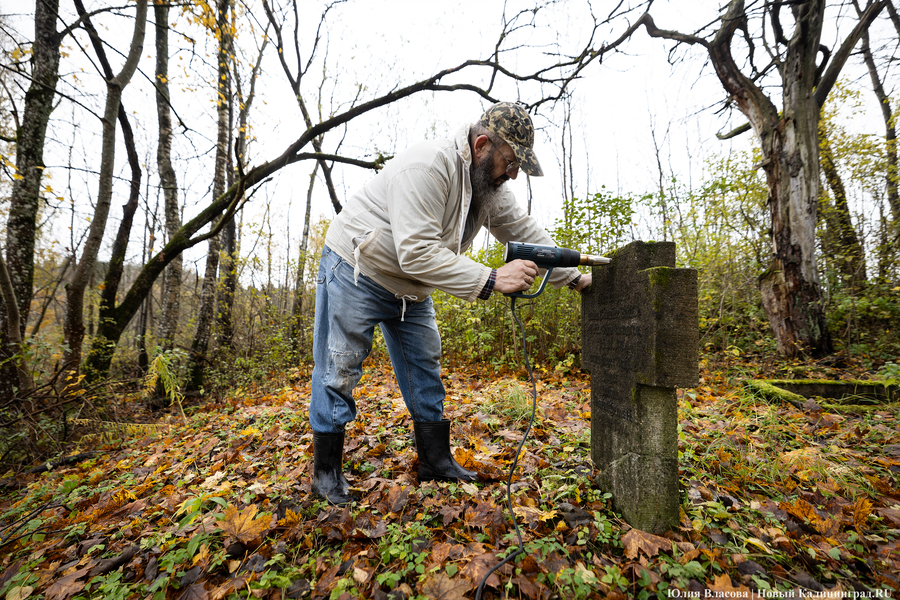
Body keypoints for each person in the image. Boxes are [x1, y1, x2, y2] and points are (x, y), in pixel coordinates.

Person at [310, 102, 592, 504]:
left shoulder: (489, 189)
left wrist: (575, 277)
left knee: (425, 365)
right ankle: (326, 476)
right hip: (358, 267)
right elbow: (417, 252)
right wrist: (493, 278)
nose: (512, 174)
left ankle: (435, 462)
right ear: (482, 145)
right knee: (340, 366)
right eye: (510, 162)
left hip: (412, 288)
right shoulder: (428, 166)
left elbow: (525, 230)